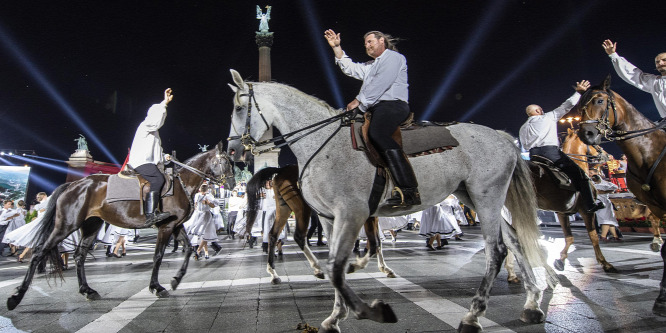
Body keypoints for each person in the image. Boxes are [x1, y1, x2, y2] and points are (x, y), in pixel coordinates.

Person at [324, 29, 419, 207]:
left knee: (378, 133)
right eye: (365, 44)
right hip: (373, 108)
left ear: (381, 40)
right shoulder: (371, 65)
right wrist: (337, 48)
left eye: (370, 42)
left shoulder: (393, 58)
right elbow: (351, 68)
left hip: (392, 105)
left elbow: (381, 82)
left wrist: (359, 101)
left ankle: (409, 190)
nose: (367, 46)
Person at [519, 80, 604, 213]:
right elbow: (566, 106)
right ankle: (590, 203)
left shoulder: (523, 128)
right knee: (581, 175)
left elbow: (524, 145)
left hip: (533, 155)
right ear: (537, 110)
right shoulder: (547, 117)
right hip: (550, 153)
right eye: (540, 109)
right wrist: (578, 93)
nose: (542, 110)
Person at [127, 88, 173, 227]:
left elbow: (156, 152)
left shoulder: (154, 133)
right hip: (141, 162)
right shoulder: (146, 125)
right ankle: (151, 215)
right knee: (158, 179)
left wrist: (165, 156)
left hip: (147, 161)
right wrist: (164, 103)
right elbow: (156, 121)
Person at [602, 40, 666, 118]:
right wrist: (613, 55)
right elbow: (633, 74)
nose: (660, 63)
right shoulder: (654, 82)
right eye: (657, 62)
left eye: (664, 60)